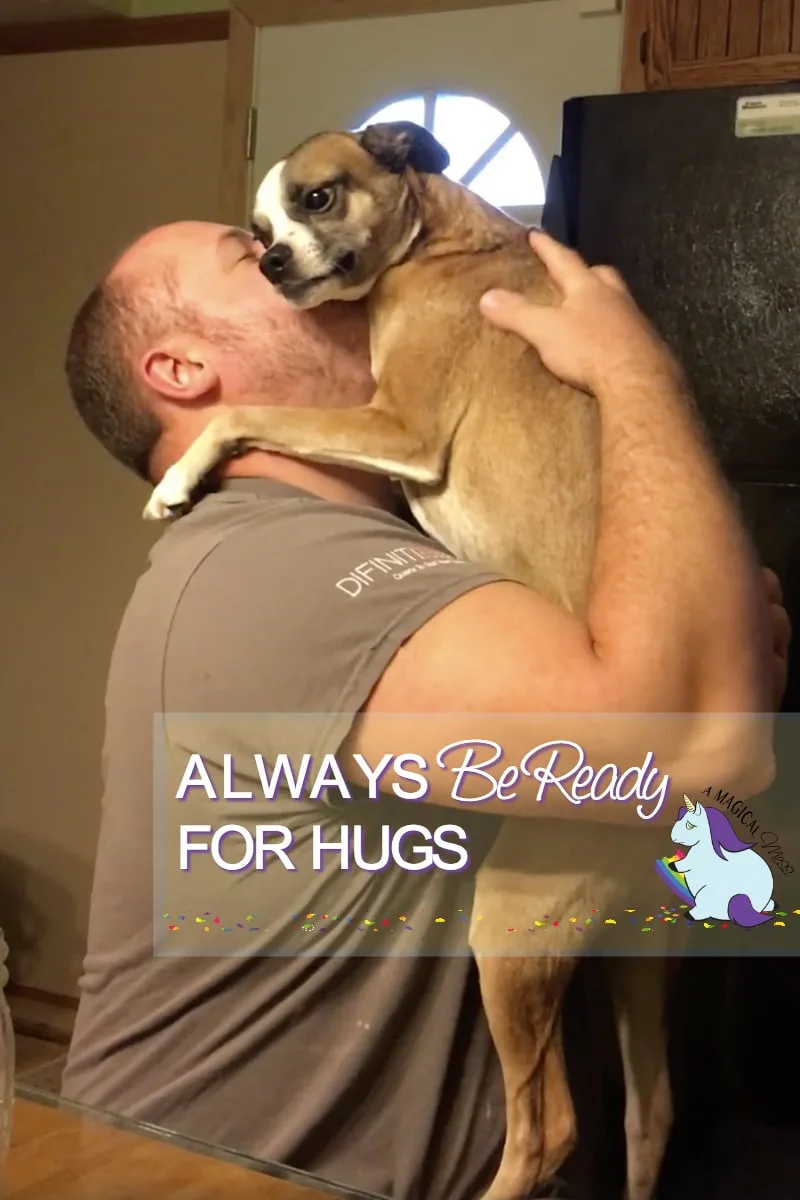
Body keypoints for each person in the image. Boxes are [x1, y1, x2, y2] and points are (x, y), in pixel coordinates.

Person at [59, 221, 788, 1200]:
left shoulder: (422, 551)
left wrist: (709, 668)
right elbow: (696, 751)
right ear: (182, 368)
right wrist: (633, 375)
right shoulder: (277, 566)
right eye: (252, 252)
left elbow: (707, 837)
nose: (301, 251)